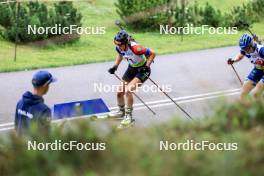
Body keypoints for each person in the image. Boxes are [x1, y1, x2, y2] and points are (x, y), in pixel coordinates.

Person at [108, 30, 156, 127]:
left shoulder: (136, 48)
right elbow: (120, 54)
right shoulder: (119, 47)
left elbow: (152, 53)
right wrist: (115, 66)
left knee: (128, 90)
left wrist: (147, 65)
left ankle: (128, 116)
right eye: (116, 43)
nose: (118, 46)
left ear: (126, 43)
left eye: (120, 44)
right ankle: (121, 112)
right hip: (131, 68)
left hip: (143, 70)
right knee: (119, 92)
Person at [15, 70, 57, 135]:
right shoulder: (44, 110)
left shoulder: (20, 103)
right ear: (45, 85)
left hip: (19, 144)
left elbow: (16, 126)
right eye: (49, 84)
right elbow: (45, 136)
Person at [228, 34, 264, 100]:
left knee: (256, 94)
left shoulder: (261, 50)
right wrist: (233, 60)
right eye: (243, 48)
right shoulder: (244, 51)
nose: (245, 50)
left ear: (252, 45)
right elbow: (239, 56)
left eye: (246, 48)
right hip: (258, 70)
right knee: (243, 94)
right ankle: (246, 108)